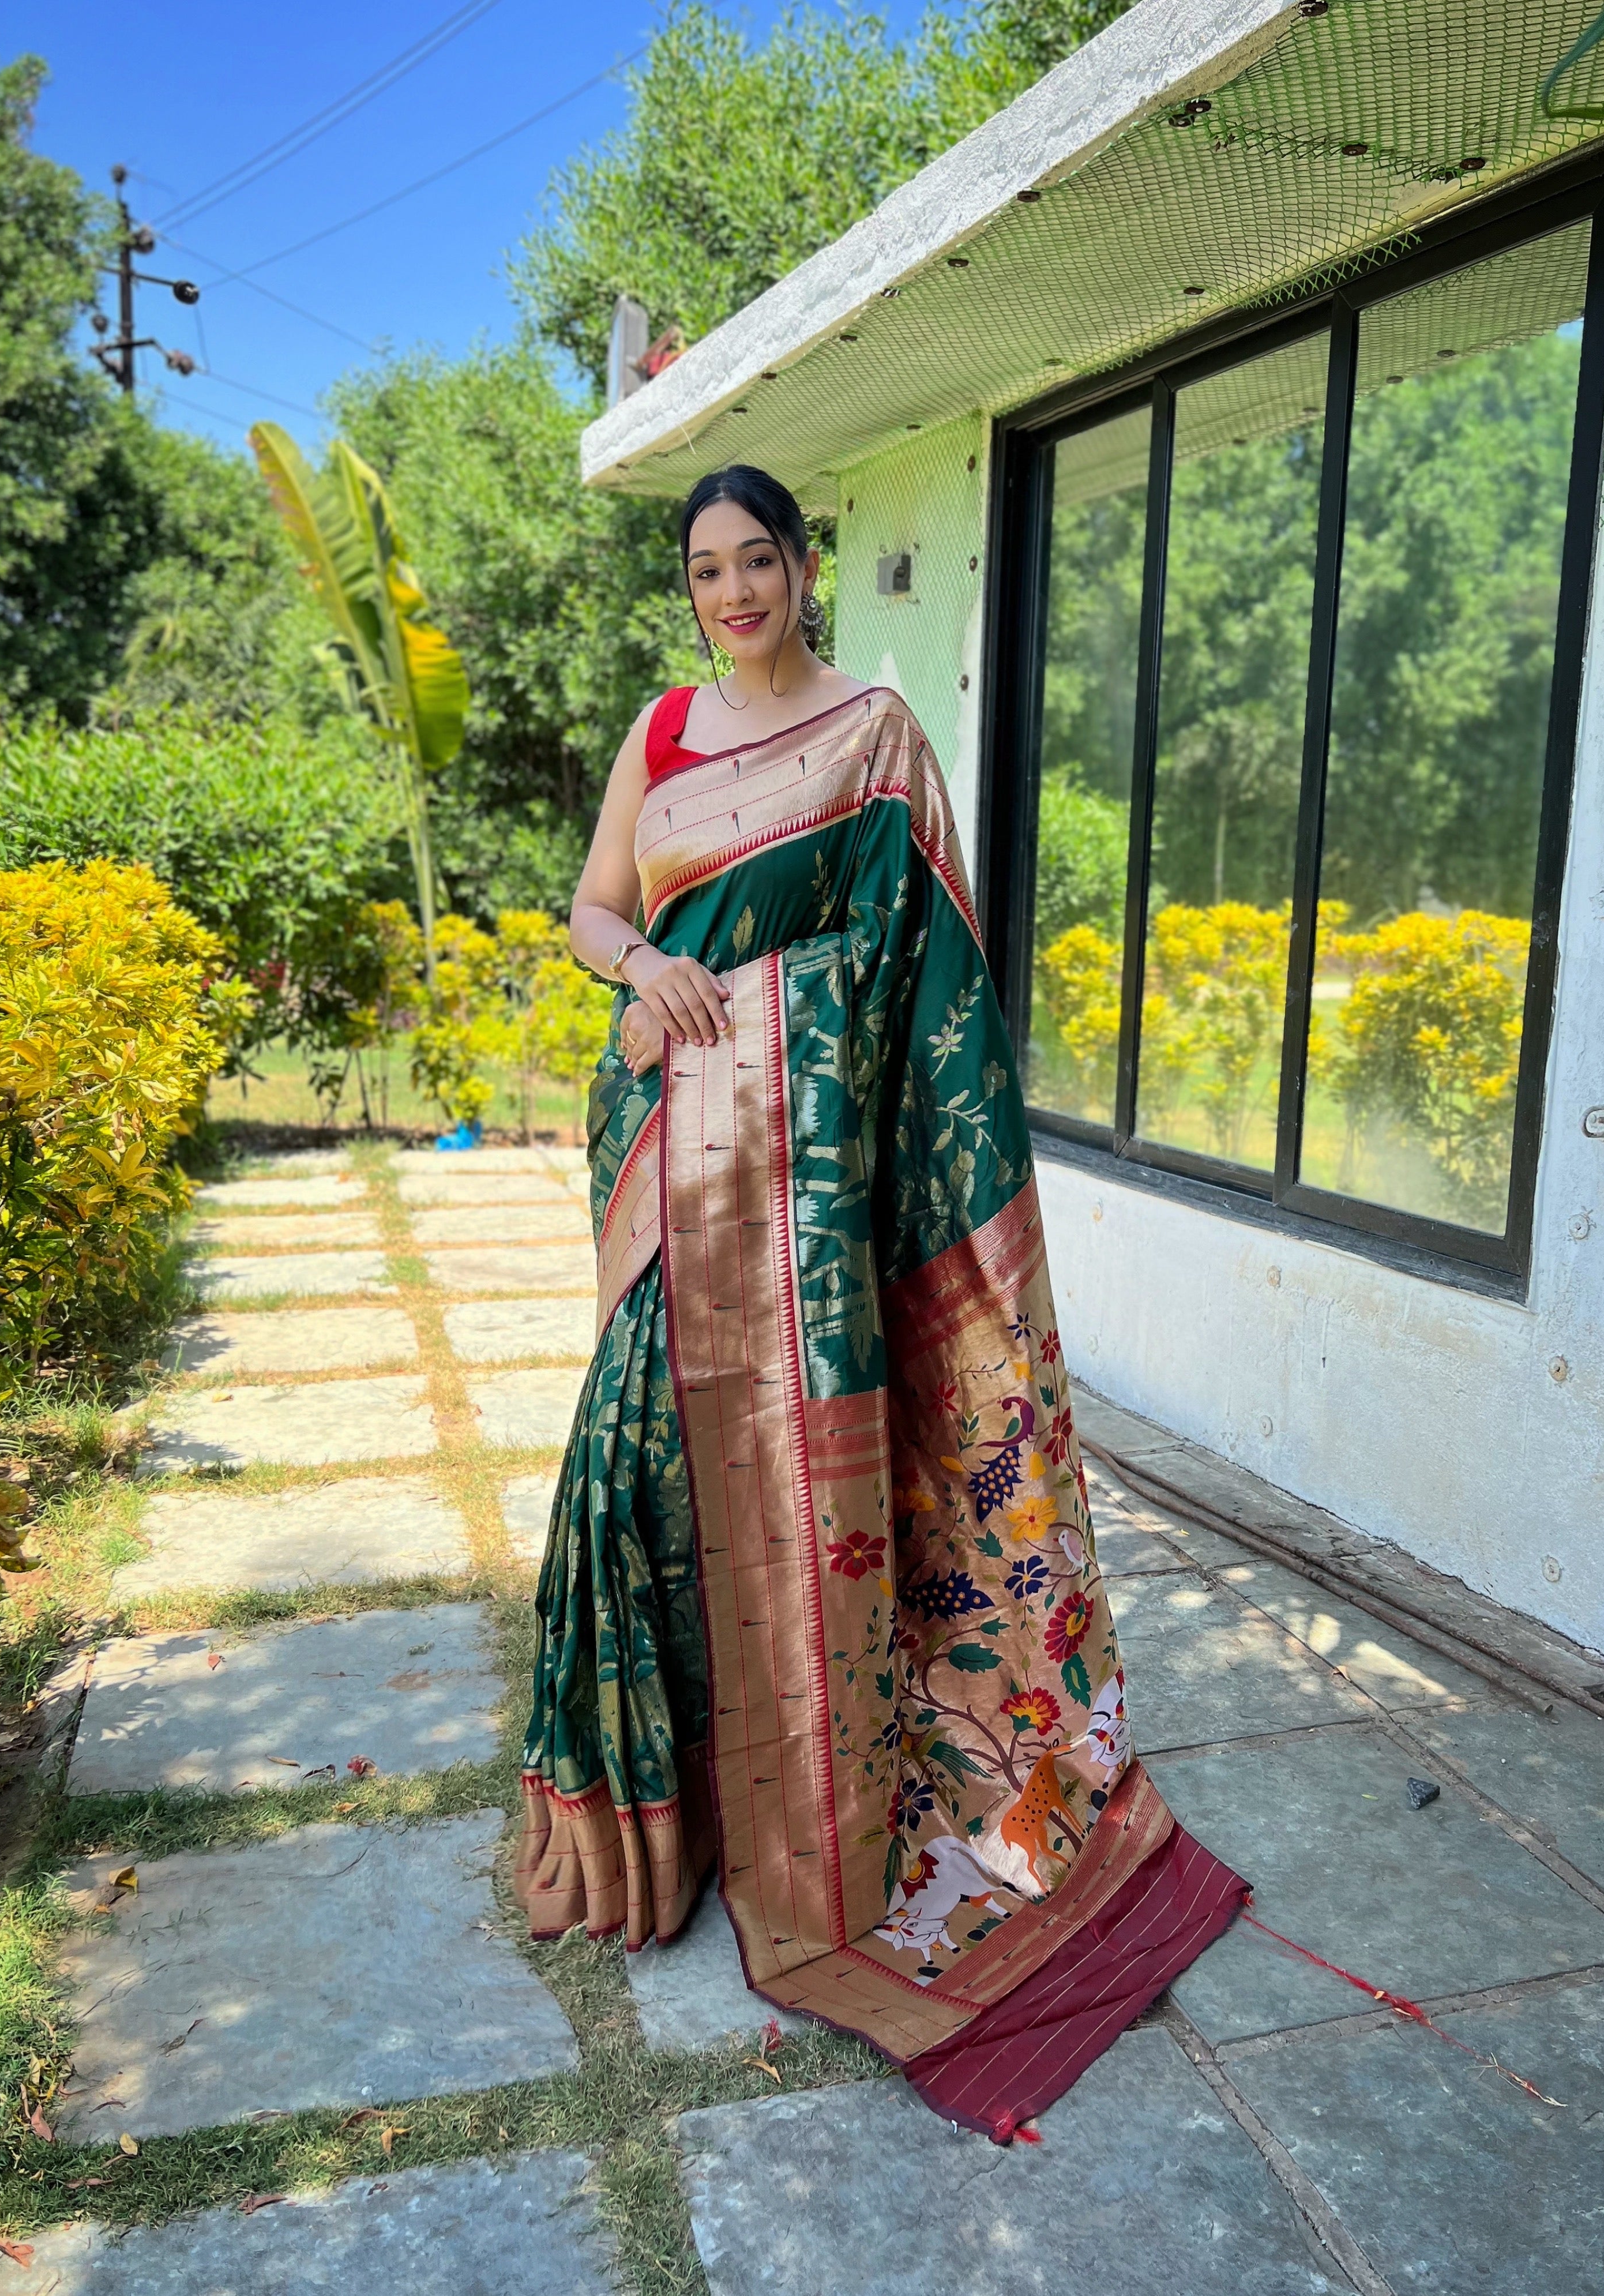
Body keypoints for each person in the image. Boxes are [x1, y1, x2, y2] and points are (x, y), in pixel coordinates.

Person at [515, 463, 1243, 2139]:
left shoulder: (876, 740)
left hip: (816, 1181)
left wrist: (769, 1000)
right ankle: (666, 1822)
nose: (732, 591)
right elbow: (595, 904)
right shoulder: (665, 731)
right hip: (670, 1159)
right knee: (635, 1472)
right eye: (705, 569)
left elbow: (931, 985)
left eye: (755, 559)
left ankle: (810, 1817)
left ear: (801, 564)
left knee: (804, 1491)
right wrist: (640, 968)